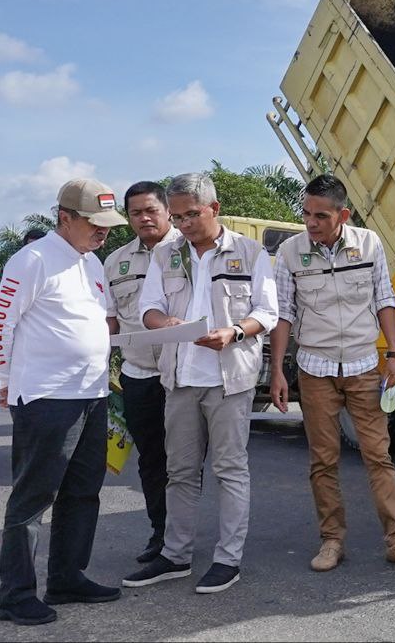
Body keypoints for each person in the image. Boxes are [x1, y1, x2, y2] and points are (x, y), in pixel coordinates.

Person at [122, 172, 277, 594]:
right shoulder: (165, 256)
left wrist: (235, 332)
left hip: (230, 380)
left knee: (230, 469)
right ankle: (175, 555)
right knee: (181, 472)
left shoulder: (249, 253)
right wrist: (164, 322)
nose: (185, 223)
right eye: (178, 216)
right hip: (180, 378)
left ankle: (228, 560)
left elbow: (269, 312)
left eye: (192, 214)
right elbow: (148, 308)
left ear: (214, 209)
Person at [0, 178, 127, 625]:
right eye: (95, 223)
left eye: (108, 224)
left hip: (91, 395)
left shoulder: (91, 263)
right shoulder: (32, 260)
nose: (104, 232)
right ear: (64, 218)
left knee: (84, 492)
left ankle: (66, 578)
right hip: (47, 399)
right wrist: (9, 379)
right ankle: (16, 595)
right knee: (33, 497)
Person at [268, 175, 395, 572]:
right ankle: (331, 540)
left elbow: (385, 299)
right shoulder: (289, 252)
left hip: (362, 367)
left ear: (343, 214)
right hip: (315, 368)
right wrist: (277, 371)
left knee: (379, 455)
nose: (311, 223)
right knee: (323, 460)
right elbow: (283, 313)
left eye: (320, 216)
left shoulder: (369, 243)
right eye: (306, 213)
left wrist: (394, 355)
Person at [105, 181, 181, 566]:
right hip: (138, 375)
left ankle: (182, 535)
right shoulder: (115, 262)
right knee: (151, 460)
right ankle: (161, 534)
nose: (145, 218)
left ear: (168, 210)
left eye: (151, 210)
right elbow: (110, 322)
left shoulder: (192, 252)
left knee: (185, 460)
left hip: (184, 375)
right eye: (136, 212)